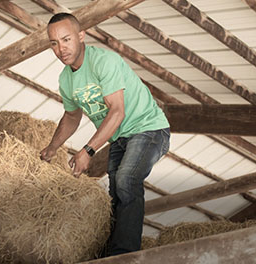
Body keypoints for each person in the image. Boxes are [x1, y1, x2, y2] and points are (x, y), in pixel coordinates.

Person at [40, 12, 170, 256]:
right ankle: (108, 252)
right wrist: (52, 147)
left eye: (66, 40)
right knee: (113, 198)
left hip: (149, 128)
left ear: (81, 36)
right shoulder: (66, 80)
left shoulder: (104, 61)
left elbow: (117, 112)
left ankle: (124, 254)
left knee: (126, 181)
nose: (61, 49)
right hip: (120, 138)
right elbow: (71, 117)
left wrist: (88, 150)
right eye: (54, 43)